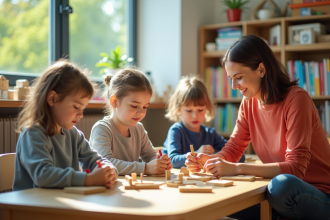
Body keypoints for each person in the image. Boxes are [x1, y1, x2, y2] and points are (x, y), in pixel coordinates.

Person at [185, 35, 330, 220]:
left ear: (261, 69)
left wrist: (237, 168)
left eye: (238, 77)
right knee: (221, 200)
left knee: (282, 185)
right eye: (231, 78)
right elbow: (235, 146)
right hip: (277, 197)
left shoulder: (296, 99)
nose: (233, 86)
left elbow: (295, 169)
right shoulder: (248, 103)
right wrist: (212, 161)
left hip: (318, 195)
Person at [13, 59, 118, 191]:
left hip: (63, 203)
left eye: (83, 109)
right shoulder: (33, 133)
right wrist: (88, 179)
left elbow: (94, 159)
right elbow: (43, 175)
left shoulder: (73, 134)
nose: (81, 114)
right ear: (52, 98)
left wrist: (109, 171)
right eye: (76, 107)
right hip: (32, 208)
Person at [89, 68, 172, 175]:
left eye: (145, 107)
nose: (141, 112)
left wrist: (159, 162)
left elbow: (150, 155)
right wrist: (145, 168)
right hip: (109, 189)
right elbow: (105, 163)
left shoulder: (139, 128)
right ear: (114, 102)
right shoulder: (101, 129)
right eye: (134, 106)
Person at [163, 76, 245, 168]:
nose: (195, 115)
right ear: (178, 109)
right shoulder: (176, 131)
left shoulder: (210, 133)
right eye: (189, 111)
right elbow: (173, 160)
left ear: (206, 108)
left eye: (200, 110)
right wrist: (197, 154)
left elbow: (240, 156)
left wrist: (212, 156)